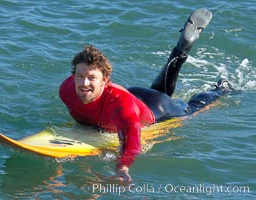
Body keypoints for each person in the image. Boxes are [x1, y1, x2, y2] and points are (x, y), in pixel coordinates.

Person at [59, 8, 235, 182]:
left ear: (105, 80)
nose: (83, 83)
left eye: (92, 78)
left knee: (192, 110)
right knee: (160, 90)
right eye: (79, 76)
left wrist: (122, 168)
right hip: (134, 96)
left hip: (157, 108)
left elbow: (132, 142)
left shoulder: (120, 107)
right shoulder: (66, 89)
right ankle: (182, 48)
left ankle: (221, 89)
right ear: (73, 75)